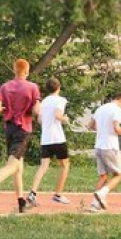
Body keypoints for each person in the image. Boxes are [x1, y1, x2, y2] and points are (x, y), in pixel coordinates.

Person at [0, 58, 41, 214]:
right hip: (23, 128)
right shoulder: (32, 87)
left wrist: (7, 108)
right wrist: (34, 110)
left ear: (14, 70)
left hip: (9, 128)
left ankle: (21, 203)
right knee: (12, 165)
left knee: (18, 167)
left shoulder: (5, 86)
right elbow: (37, 110)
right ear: (26, 71)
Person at [27, 78, 71, 207]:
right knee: (65, 165)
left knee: (43, 166)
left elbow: (40, 119)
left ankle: (32, 193)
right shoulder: (61, 100)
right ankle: (58, 194)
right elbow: (58, 115)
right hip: (57, 138)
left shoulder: (44, 102)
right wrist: (65, 119)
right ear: (59, 87)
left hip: (45, 138)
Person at [89, 92, 121, 211]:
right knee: (118, 174)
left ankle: (94, 204)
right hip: (110, 146)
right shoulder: (117, 110)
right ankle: (102, 193)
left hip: (99, 146)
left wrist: (102, 129)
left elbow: (91, 125)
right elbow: (116, 128)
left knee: (103, 176)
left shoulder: (100, 108)